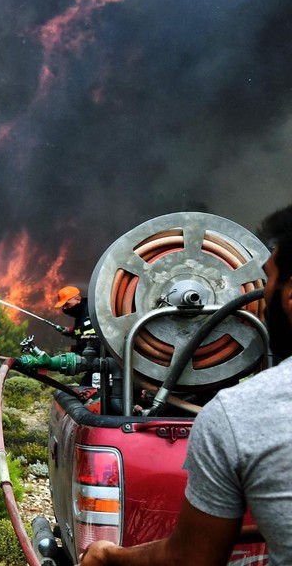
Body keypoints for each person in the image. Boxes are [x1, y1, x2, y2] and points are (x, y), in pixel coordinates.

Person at [81, 203, 292, 565]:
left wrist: (109, 558)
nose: (258, 293)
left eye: (268, 277)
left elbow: (189, 559)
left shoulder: (241, 416)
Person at [53, 285, 101, 386]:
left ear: (77, 299)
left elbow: (91, 340)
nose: (65, 308)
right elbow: (81, 331)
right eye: (63, 306)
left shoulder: (89, 312)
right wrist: (71, 331)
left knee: (87, 388)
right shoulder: (80, 315)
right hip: (95, 363)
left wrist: (73, 351)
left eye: (67, 304)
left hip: (102, 361)